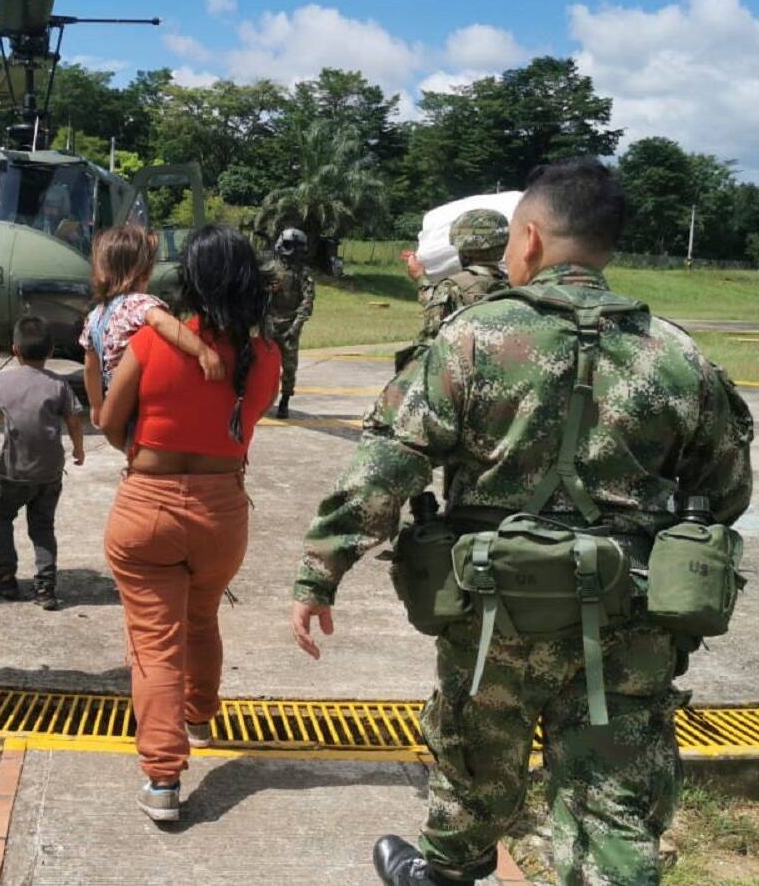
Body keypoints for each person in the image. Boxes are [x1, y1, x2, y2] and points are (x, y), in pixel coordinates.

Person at [291, 159, 753, 885]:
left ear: (530, 238)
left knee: (474, 758)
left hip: (493, 615)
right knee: (615, 803)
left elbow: (389, 462)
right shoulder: (680, 355)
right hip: (628, 619)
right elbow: (725, 495)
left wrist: (321, 571)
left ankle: (446, 872)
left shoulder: (473, 339)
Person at [100, 224, 281, 823]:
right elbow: (245, 425)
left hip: (146, 506)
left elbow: (106, 423)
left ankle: (162, 779)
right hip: (221, 511)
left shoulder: (152, 345)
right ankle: (201, 718)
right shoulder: (267, 359)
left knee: (155, 644)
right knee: (200, 619)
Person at [0, 316, 84, 610]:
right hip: (49, 473)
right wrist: (79, 450)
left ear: (15, 350)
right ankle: (45, 588)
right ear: (51, 351)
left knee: (1, 519)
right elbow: (74, 422)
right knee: (42, 527)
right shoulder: (59, 384)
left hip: (13, 471)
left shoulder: (2, 381)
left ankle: (6, 577)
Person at [80, 224, 225, 428]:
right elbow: (160, 321)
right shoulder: (141, 303)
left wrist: (96, 406)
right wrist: (202, 351)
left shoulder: (95, 316)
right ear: (145, 272)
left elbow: (90, 367)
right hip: (144, 401)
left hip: (117, 403)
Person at [400, 210, 509, 368]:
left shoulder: (452, 287)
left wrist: (420, 277)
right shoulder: (513, 286)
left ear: (463, 249)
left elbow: (428, 347)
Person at [263, 227, 315, 419]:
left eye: (296, 247)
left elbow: (307, 303)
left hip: (289, 325)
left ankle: (285, 400)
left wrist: (295, 327)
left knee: (289, 365)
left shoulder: (303, 274)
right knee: (259, 363)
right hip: (267, 324)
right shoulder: (270, 269)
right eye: (289, 246)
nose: (292, 251)